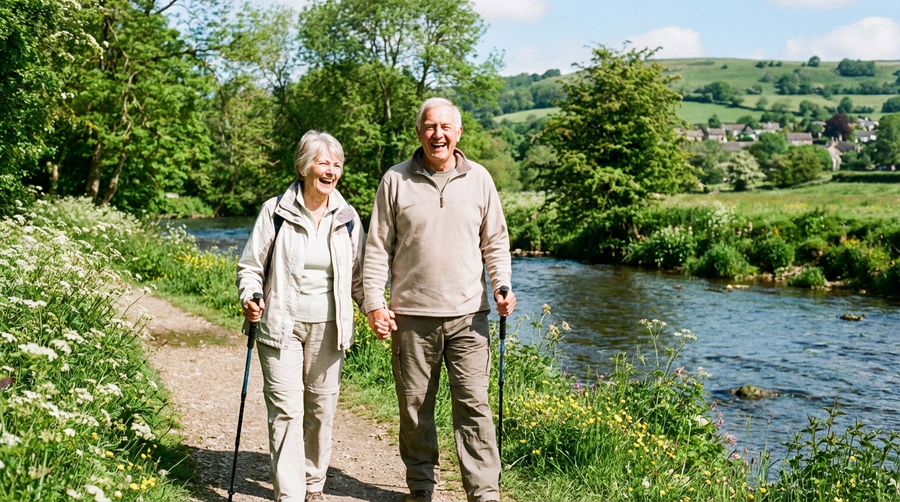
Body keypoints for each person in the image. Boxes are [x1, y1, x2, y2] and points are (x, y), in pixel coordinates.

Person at [363, 97, 517, 502]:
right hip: (411, 317)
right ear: (419, 132)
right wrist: (374, 304)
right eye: (430, 127)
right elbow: (377, 248)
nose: (438, 134)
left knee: (475, 408)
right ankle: (421, 489)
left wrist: (501, 284)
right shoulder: (395, 180)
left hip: (470, 318)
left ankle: (484, 493)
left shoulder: (480, 179)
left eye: (446, 127)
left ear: (459, 133)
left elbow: (496, 242)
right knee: (415, 412)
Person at [236, 130, 365, 502]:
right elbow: (250, 267)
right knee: (287, 410)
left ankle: (313, 484)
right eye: (324, 163)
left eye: (337, 165)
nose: (331, 171)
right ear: (304, 166)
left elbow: (357, 278)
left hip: (330, 327)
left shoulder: (348, 217)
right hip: (280, 325)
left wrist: (375, 309)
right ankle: (290, 495)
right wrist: (251, 295)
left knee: (321, 409)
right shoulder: (274, 211)